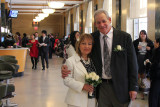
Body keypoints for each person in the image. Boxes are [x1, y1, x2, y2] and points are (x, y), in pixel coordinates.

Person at [62, 9, 138, 107]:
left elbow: (133, 64)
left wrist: (134, 87)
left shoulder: (124, 37)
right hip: (101, 88)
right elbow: (83, 54)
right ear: (95, 24)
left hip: (121, 87)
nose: (102, 25)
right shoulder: (93, 38)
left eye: (104, 21)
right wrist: (66, 66)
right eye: (98, 22)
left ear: (109, 20)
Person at [64, 33, 96, 107]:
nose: (87, 46)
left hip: (92, 99)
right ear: (79, 45)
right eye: (83, 43)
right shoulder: (71, 61)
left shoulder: (93, 61)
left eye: (89, 44)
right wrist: (83, 86)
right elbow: (67, 80)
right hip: (76, 100)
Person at [133, 30, 154, 99]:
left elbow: (153, 51)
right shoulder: (136, 42)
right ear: (139, 35)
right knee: (137, 75)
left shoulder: (150, 42)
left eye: (144, 34)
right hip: (138, 59)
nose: (142, 35)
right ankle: (136, 90)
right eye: (141, 34)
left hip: (145, 60)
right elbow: (132, 49)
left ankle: (143, 91)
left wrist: (150, 49)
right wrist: (137, 48)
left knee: (143, 75)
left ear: (146, 35)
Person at [148, 38, 160, 107]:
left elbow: (155, 64)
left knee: (153, 96)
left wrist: (149, 64)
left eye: (155, 42)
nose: (154, 44)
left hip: (157, 77)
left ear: (158, 43)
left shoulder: (157, 51)